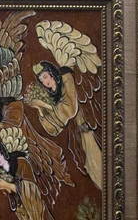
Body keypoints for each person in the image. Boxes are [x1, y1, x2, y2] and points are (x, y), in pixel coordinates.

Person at [0, 73, 73, 204]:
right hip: (10, 147)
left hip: (27, 140)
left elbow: (14, 120)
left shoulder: (8, 103)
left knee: (44, 165)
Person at [29, 60, 102, 190]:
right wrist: (40, 109)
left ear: (52, 73)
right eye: (41, 80)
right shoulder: (51, 95)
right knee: (89, 166)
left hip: (88, 129)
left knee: (97, 162)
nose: (45, 81)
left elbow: (69, 110)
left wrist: (45, 105)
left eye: (45, 76)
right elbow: (54, 128)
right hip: (77, 135)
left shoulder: (66, 80)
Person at [0, 140, 69, 220]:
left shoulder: (21, 162)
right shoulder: (1, 173)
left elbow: (32, 188)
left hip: (34, 207)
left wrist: (9, 185)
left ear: (2, 151)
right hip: (22, 209)